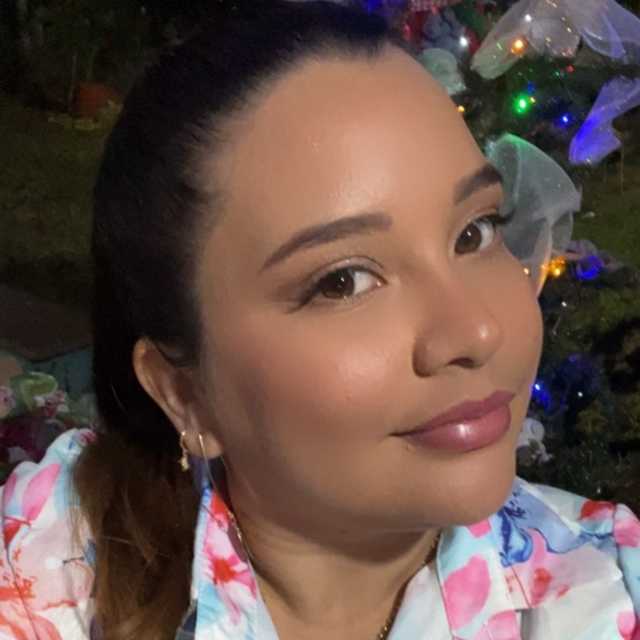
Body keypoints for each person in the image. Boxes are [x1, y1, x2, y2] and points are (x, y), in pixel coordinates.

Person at [1, 2, 638, 639]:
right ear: (183, 392)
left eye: (474, 232)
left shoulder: (610, 591)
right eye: (344, 281)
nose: (477, 331)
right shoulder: (49, 574)